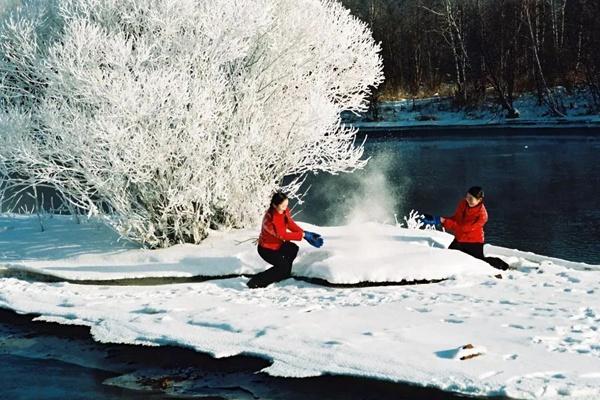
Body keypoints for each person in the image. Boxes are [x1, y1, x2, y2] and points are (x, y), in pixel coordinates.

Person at [247, 192, 324, 289]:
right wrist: (303, 235)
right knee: (281, 267)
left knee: (292, 249)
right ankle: (255, 282)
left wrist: (305, 233)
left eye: (287, 205)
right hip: (267, 250)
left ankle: (284, 274)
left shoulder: (283, 211)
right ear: (275, 205)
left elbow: (290, 223)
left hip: (278, 246)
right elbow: (282, 235)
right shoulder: (270, 220)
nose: (285, 208)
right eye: (283, 206)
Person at [422, 186, 509, 270]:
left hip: (474, 243)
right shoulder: (463, 203)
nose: (468, 200)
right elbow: (456, 219)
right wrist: (437, 219)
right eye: (467, 197)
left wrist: (442, 221)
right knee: (448, 258)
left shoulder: (482, 216)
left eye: (471, 199)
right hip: (459, 239)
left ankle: (501, 265)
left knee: (479, 263)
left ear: (479, 200)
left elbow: (464, 228)